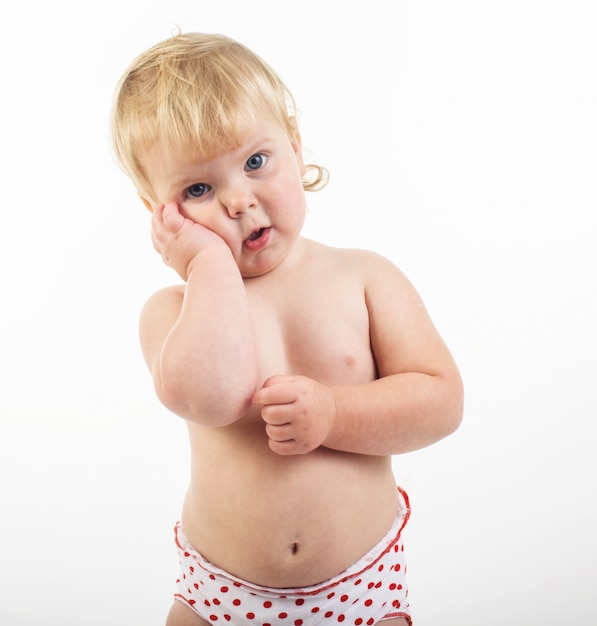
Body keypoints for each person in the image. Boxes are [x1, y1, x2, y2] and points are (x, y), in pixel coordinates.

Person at [111, 32, 463, 626]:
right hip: (218, 596)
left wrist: (333, 413)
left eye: (255, 162)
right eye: (198, 190)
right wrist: (208, 264)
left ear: (296, 150)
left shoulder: (365, 277)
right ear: (160, 212)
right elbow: (211, 397)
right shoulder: (172, 311)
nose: (239, 201)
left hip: (362, 588)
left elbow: (441, 401)